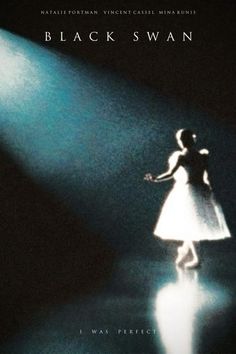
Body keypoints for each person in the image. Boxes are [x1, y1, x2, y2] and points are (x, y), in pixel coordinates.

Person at [144, 129, 231, 268]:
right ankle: (184, 250)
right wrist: (209, 189)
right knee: (191, 224)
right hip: (201, 189)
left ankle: (196, 259)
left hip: (189, 190)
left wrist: (155, 179)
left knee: (190, 225)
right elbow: (207, 176)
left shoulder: (182, 156)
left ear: (182, 141)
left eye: (181, 139)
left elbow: (170, 173)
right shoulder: (202, 156)